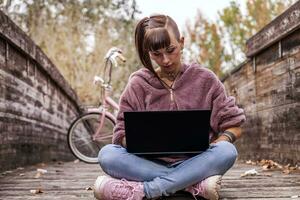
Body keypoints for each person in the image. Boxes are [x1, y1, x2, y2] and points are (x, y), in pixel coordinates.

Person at [94, 14, 246, 200]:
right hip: (147, 164)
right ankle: (193, 185)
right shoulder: (138, 84)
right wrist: (136, 141)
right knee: (107, 155)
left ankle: (147, 190)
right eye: (156, 54)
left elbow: (234, 126)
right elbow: (120, 134)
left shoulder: (205, 79)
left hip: (197, 162)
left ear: (181, 42)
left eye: (171, 50)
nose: (165, 60)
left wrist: (221, 140)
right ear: (148, 52)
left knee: (227, 151)